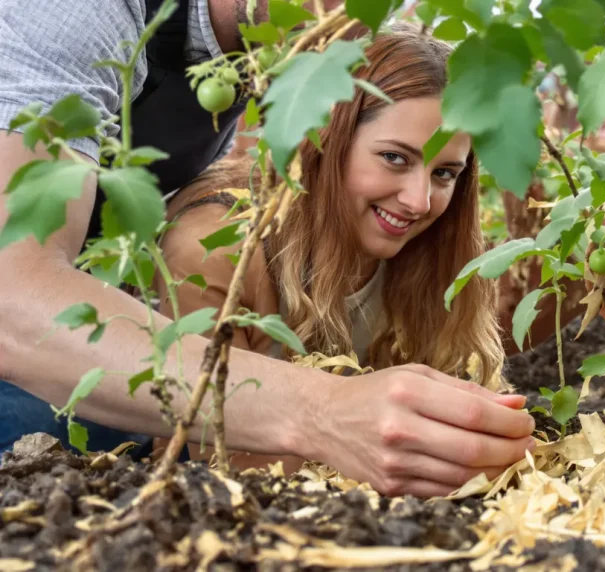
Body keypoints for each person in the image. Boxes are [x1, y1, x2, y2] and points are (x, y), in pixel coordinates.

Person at [0, 0, 536, 498]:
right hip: (38, 335)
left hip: (86, 309)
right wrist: (326, 413)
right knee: (61, 438)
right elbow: (12, 297)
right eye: (394, 158)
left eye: (445, 172)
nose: (371, 19)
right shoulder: (76, 14)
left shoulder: (257, 53)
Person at [153, 27, 511, 474]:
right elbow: (218, 451)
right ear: (327, 141)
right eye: (395, 158)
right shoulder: (217, 248)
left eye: (444, 174)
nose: (419, 201)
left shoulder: (429, 258)